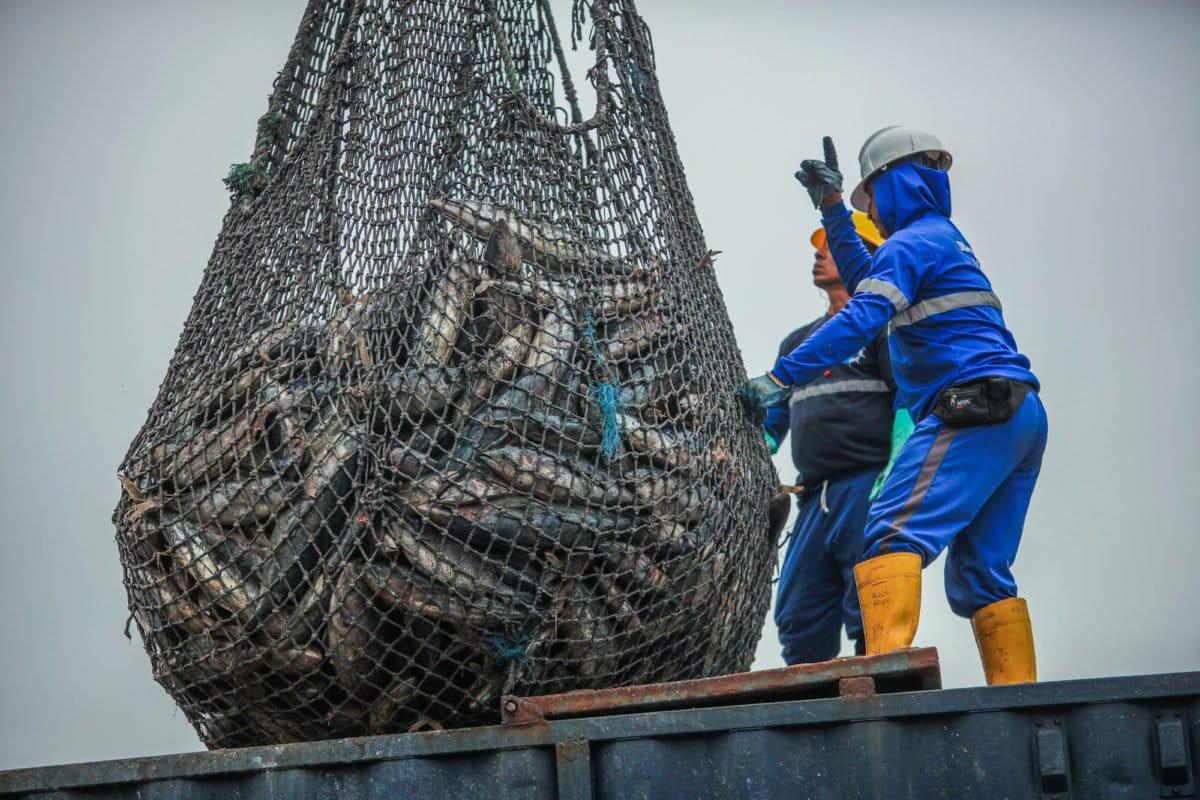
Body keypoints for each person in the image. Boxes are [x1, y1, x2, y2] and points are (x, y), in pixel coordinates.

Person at [739, 127, 1047, 685]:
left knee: (887, 533)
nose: (872, 213)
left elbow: (860, 314)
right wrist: (834, 207)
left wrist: (781, 377)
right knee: (981, 576)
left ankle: (878, 680)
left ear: (896, 183)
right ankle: (1018, 700)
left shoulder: (912, 244)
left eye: (871, 198)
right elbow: (866, 280)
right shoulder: (941, 240)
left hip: (974, 407)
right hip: (1019, 414)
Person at [764, 212, 894, 664]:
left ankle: (879, 693)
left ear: (866, 254)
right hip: (814, 498)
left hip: (867, 486)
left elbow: (908, 405)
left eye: (833, 245)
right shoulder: (796, 343)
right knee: (798, 614)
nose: (820, 253)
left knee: (871, 604)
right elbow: (773, 421)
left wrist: (893, 474)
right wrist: (757, 444)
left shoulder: (883, 329)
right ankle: (812, 715)